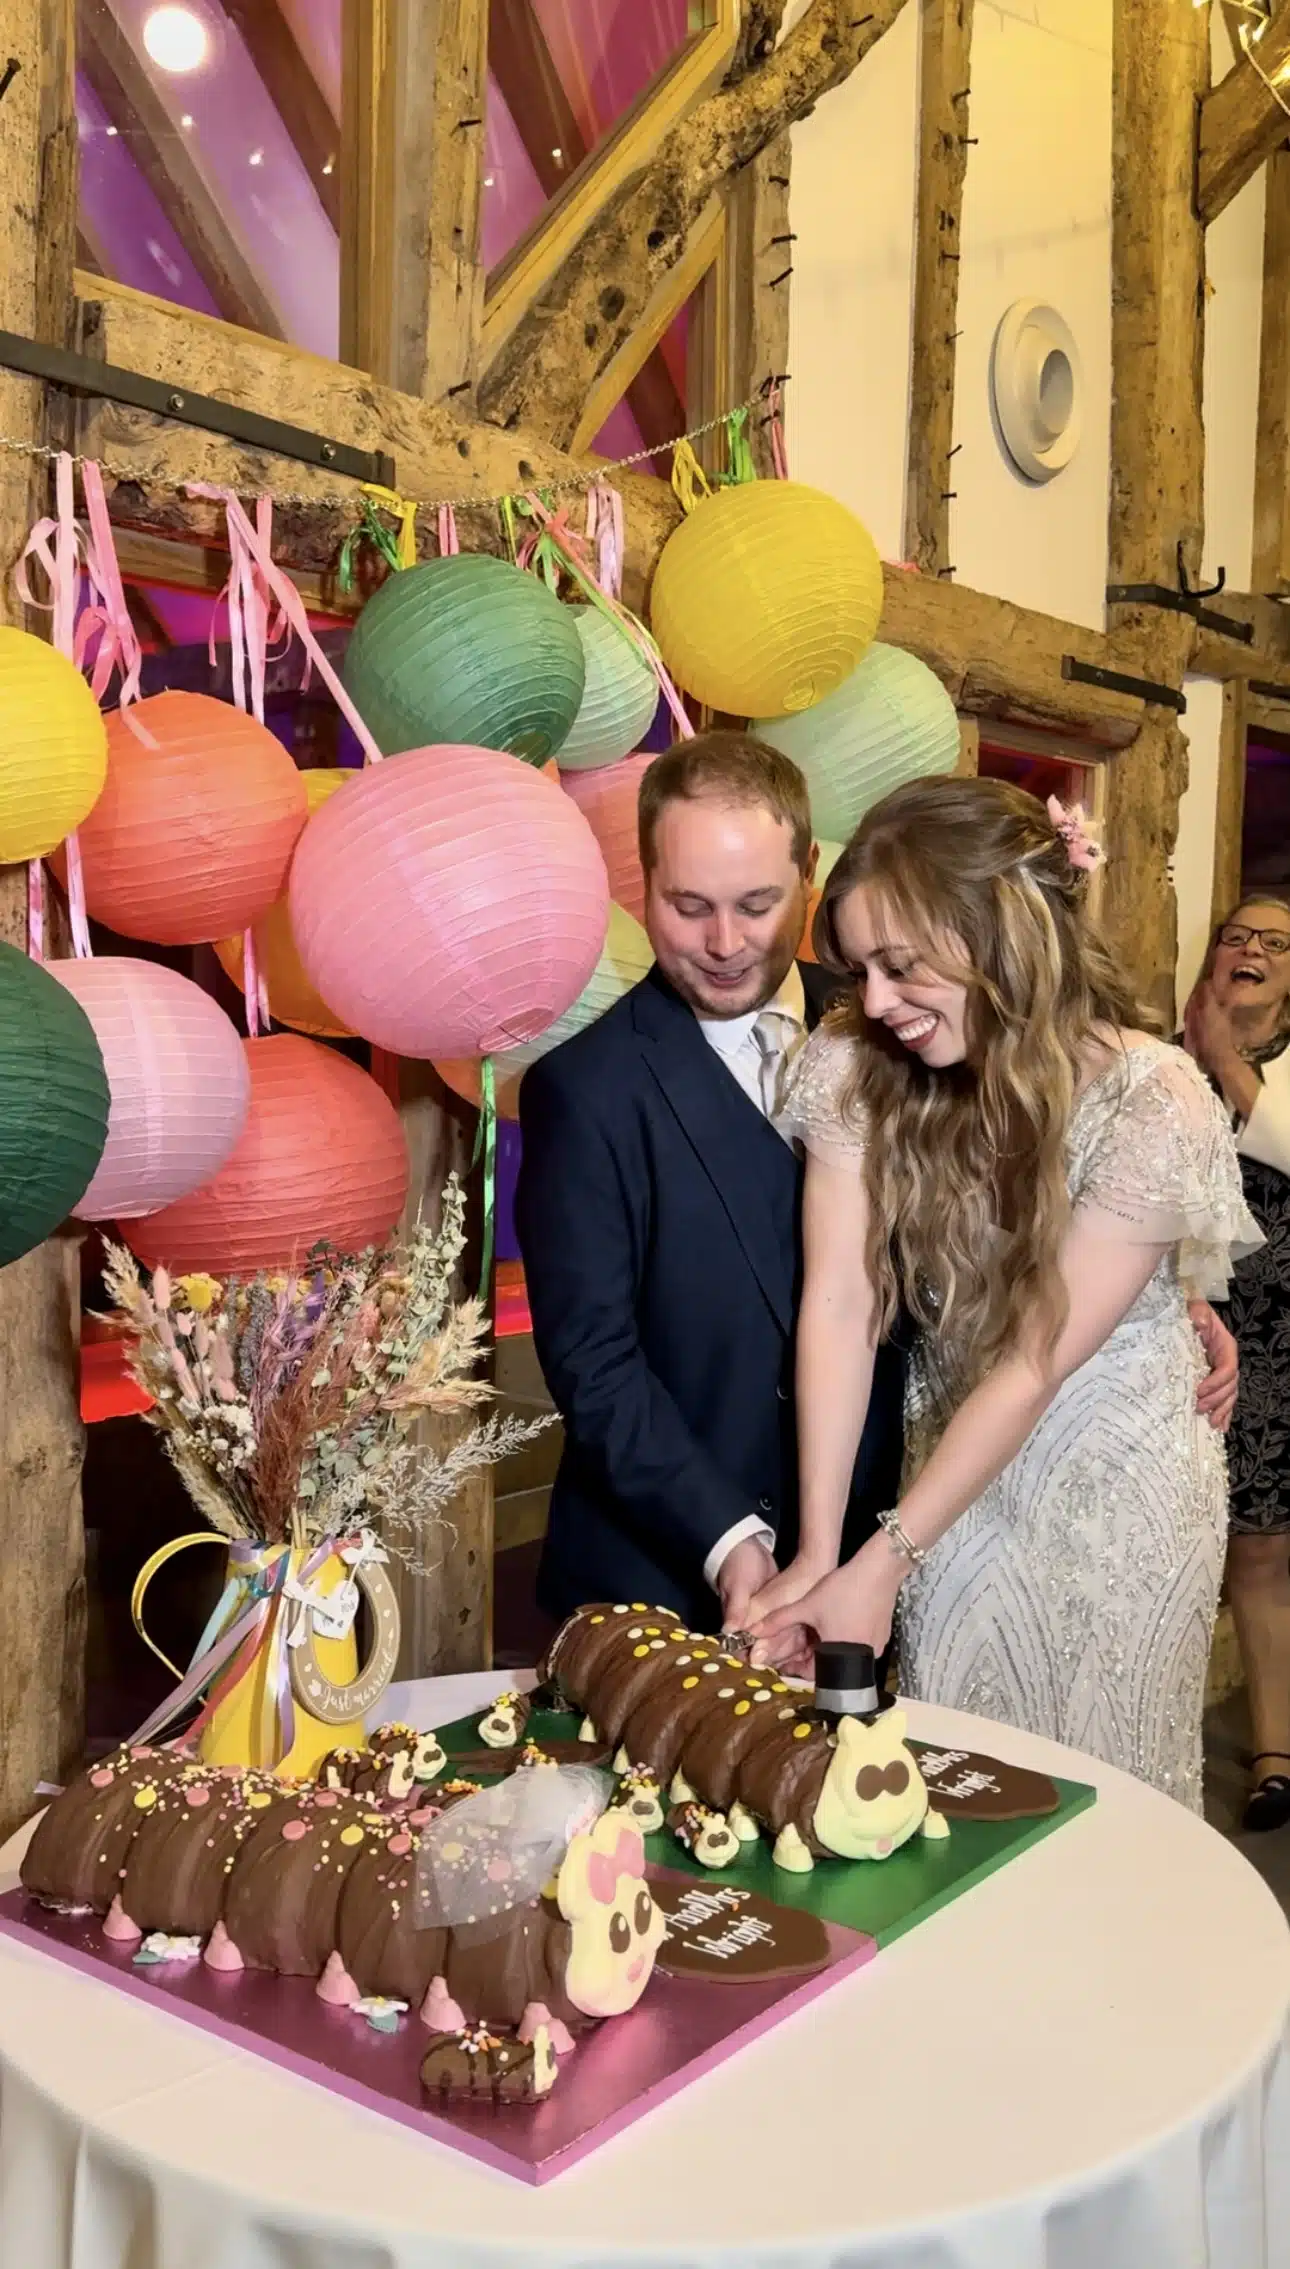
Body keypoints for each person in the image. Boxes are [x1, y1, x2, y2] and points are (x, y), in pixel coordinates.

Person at [752, 776, 1254, 1812]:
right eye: (861, 968)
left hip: (1123, 1492)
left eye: (902, 965)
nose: (875, 1000)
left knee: (1115, 1805)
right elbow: (841, 1305)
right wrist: (818, 1549)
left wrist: (884, 1559)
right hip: (956, 1495)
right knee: (954, 1789)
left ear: (1000, 932)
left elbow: (1031, 1355)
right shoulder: (856, 1063)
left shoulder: (1153, 1099)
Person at [515, 732, 907, 1635]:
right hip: (661, 1576)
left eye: (757, 903)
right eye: (688, 905)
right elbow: (596, 1364)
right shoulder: (583, 1089)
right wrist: (732, 1539)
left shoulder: (892, 1032)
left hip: (871, 1562)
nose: (725, 943)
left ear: (810, 871)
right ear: (642, 880)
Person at [1185, 898, 1290, 1830]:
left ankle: (1272, 1751)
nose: (1250, 949)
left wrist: (1227, 1062)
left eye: (1273, 942)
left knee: (1260, 1550)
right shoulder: (1159, 1066)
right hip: (1173, 1336)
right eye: (1236, 935)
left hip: (1278, 1341)